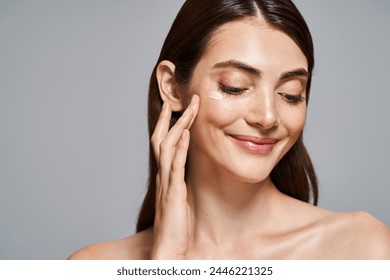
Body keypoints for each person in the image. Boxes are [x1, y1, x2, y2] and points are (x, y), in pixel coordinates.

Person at [68, 0, 390, 259]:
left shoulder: (363, 249)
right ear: (172, 87)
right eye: (235, 87)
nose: (267, 117)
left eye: (291, 93)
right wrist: (165, 262)